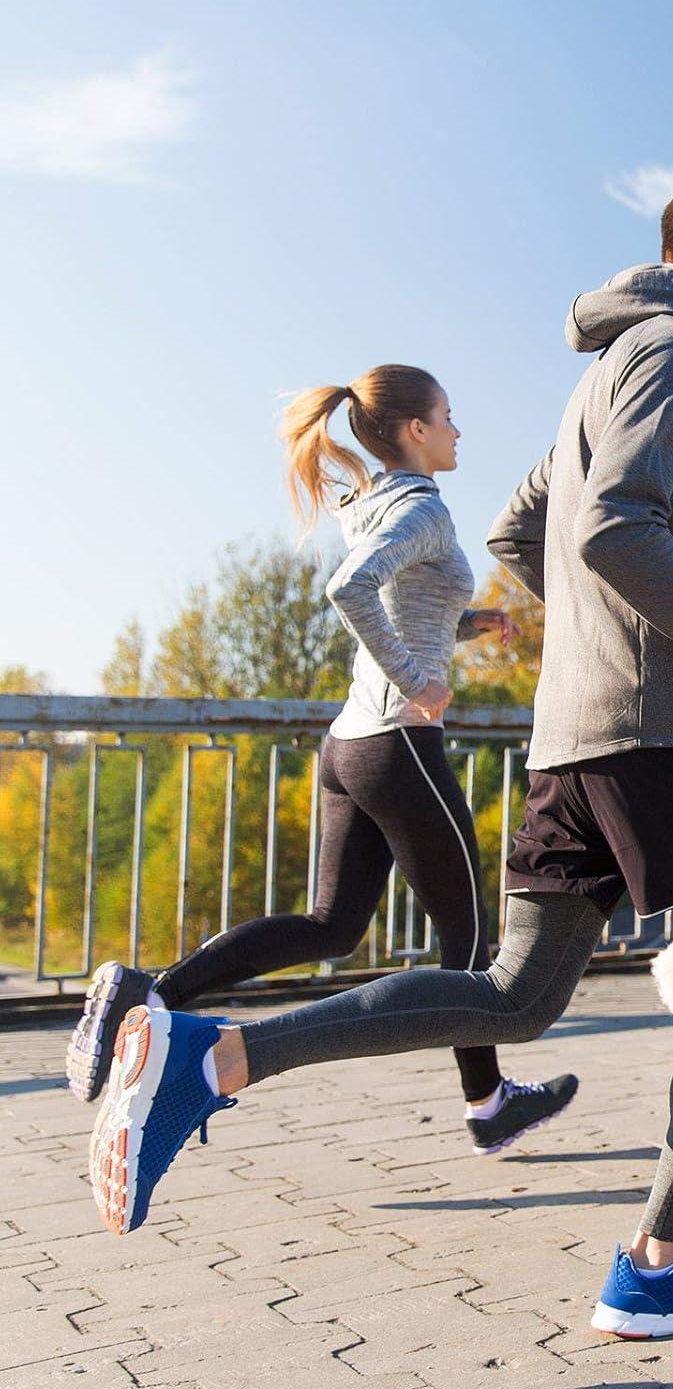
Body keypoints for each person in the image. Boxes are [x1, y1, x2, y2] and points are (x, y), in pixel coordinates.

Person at [89, 178, 673, 1339]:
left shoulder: (604, 372)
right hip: (672, 739)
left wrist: (603, 641)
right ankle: (659, 1264)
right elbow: (611, 531)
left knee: (515, 997)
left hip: (575, 735)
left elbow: (519, 532)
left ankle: (214, 1059)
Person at [69, 364, 576, 1155]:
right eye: (447, 416)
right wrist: (419, 681)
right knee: (472, 942)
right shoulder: (422, 506)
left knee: (333, 924)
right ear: (415, 429)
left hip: (350, 744)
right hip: (399, 743)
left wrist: (469, 622)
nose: (457, 429)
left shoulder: (370, 500)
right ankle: (487, 1105)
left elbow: (400, 599)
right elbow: (353, 588)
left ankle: (151, 992)